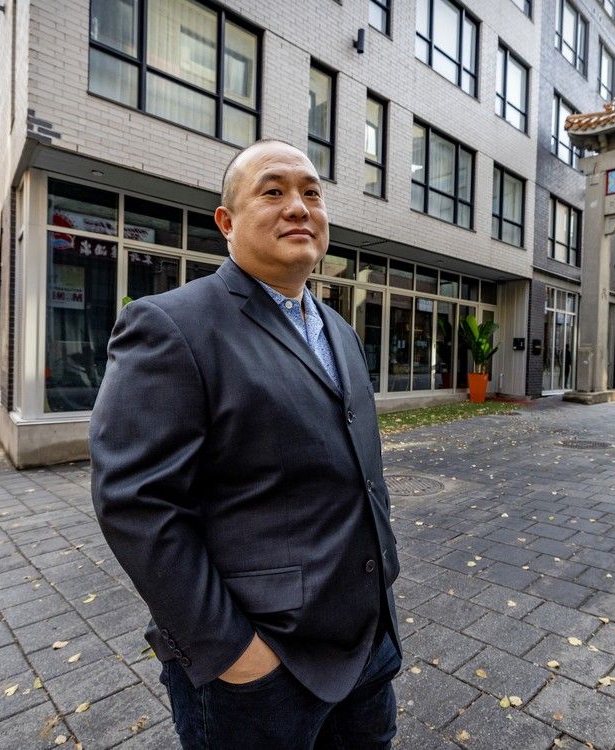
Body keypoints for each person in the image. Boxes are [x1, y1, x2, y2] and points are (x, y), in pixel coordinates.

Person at [90, 140, 402, 749]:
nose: (299, 206)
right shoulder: (172, 325)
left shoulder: (336, 328)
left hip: (367, 643)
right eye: (273, 190)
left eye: (312, 192)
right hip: (261, 669)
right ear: (226, 223)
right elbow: (135, 502)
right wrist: (232, 650)